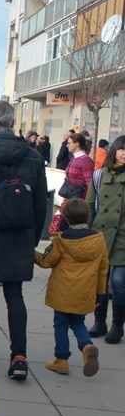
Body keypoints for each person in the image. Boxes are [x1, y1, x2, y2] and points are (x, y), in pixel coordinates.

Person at [0, 99, 48, 381]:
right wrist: (31, 238)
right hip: (18, 233)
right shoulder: (32, 156)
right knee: (14, 296)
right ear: (14, 123)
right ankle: (19, 357)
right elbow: (40, 202)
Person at [34, 198, 105, 377]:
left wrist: (29, 252)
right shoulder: (99, 240)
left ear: (66, 218)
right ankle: (86, 345)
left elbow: (46, 261)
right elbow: (103, 269)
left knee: (61, 323)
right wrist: (100, 293)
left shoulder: (61, 240)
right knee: (78, 322)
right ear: (88, 215)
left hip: (63, 291)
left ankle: (62, 359)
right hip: (85, 292)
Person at [87, 135, 125, 344]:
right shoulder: (99, 175)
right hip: (101, 235)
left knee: (118, 282)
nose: (124, 154)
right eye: (121, 149)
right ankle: (99, 321)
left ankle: (118, 324)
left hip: (123, 238)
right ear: (114, 151)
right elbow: (90, 204)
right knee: (99, 282)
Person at [63, 132, 95, 198]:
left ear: (77, 144)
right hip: (70, 198)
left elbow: (90, 185)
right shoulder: (74, 158)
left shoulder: (86, 161)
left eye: (69, 143)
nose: (67, 145)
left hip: (79, 201)